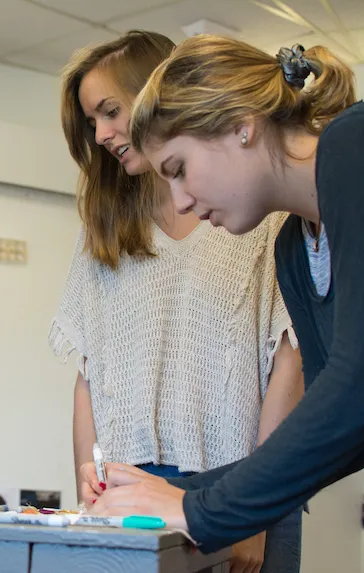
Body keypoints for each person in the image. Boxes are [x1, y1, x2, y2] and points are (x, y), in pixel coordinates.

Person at [90, 34, 362, 557]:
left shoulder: (353, 145)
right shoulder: (294, 252)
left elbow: (355, 387)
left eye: (179, 169)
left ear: (242, 125)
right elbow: (346, 434)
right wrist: (176, 493)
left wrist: (198, 512)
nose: (182, 202)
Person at [51, 31, 304, 571]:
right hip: (129, 485)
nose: (100, 134)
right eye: (91, 121)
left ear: (156, 95)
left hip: (244, 484)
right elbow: (89, 372)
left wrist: (254, 511)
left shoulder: (259, 210)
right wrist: (88, 483)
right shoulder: (104, 227)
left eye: (110, 111)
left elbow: (291, 358)